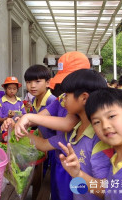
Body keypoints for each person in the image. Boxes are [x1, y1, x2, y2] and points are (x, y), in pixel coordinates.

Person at [2, 51, 91, 200]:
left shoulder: (81, 110)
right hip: (59, 159)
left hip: (77, 165)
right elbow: (38, 118)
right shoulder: (62, 98)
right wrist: (17, 122)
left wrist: (26, 119)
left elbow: (67, 123)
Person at [17, 69, 112, 200]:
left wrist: (79, 174)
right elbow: (44, 144)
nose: (63, 99)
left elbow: (106, 190)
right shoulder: (74, 132)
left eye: (66, 95)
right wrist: (16, 129)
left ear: (84, 98)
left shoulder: (99, 139)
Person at [60, 88, 122, 199]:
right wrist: (78, 174)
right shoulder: (114, 161)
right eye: (97, 122)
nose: (105, 126)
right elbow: (109, 192)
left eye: (111, 116)